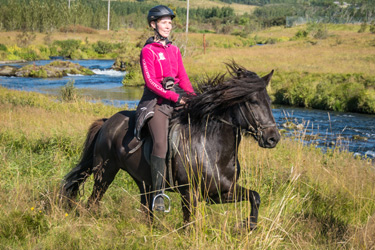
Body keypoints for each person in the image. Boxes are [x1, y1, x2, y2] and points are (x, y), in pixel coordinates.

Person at [133, 5, 195, 212]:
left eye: (170, 22)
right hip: (155, 103)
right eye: (163, 22)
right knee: (161, 143)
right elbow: (151, 83)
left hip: (176, 99)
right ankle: (159, 194)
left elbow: (183, 78)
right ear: (153, 24)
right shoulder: (147, 51)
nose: (168, 26)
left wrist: (193, 98)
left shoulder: (175, 50)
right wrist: (175, 97)